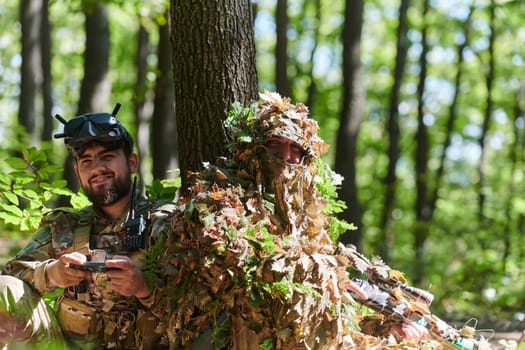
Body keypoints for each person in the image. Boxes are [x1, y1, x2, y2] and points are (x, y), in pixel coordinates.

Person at [156, 92, 460, 349]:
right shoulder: (218, 196)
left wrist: (384, 324)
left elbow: (328, 294)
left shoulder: (303, 213)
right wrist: (329, 273)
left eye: (296, 150)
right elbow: (243, 265)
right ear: (253, 149)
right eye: (275, 144)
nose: (286, 157)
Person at [0, 104, 169, 349]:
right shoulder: (64, 227)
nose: (97, 168)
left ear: (132, 163)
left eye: (107, 157)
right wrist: (51, 274)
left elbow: (200, 307)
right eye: (86, 161)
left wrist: (144, 289)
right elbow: (12, 273)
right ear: (78, 173)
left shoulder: (163, 223)